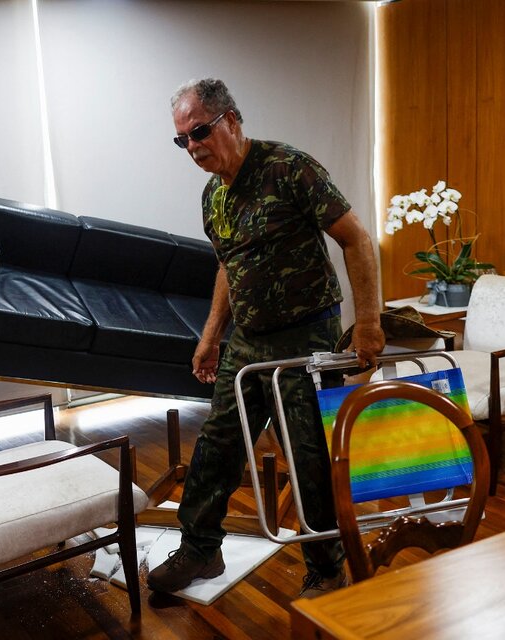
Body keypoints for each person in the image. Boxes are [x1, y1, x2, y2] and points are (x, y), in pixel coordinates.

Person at [146, 79, 385, 599]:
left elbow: (356, 239)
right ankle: (200, 549)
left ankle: (327, 569)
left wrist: (368, 322)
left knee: (308, 457)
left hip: (307, 335)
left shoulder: (289, 167)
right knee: (217, 445)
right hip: (248, 340)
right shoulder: (213, 195)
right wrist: (211, 336)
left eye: (199, 132)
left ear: (231, 120)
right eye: (182, 139)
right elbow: (228, 268)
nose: (192, 147)